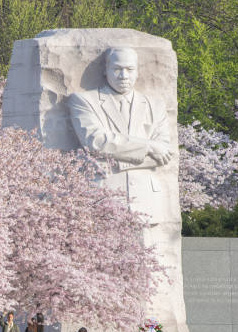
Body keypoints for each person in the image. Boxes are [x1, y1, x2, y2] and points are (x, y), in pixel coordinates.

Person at [68, 47, 174, 224]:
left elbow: (163, 155)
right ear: (105, 70)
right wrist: (149, 146)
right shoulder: (84, 101)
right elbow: (96, 142)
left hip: (146, 200)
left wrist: (116, 160)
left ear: (137, 71)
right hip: (104, 195)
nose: (123, 76)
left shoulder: (154, 105)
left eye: (129, 69)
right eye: (117, 69)